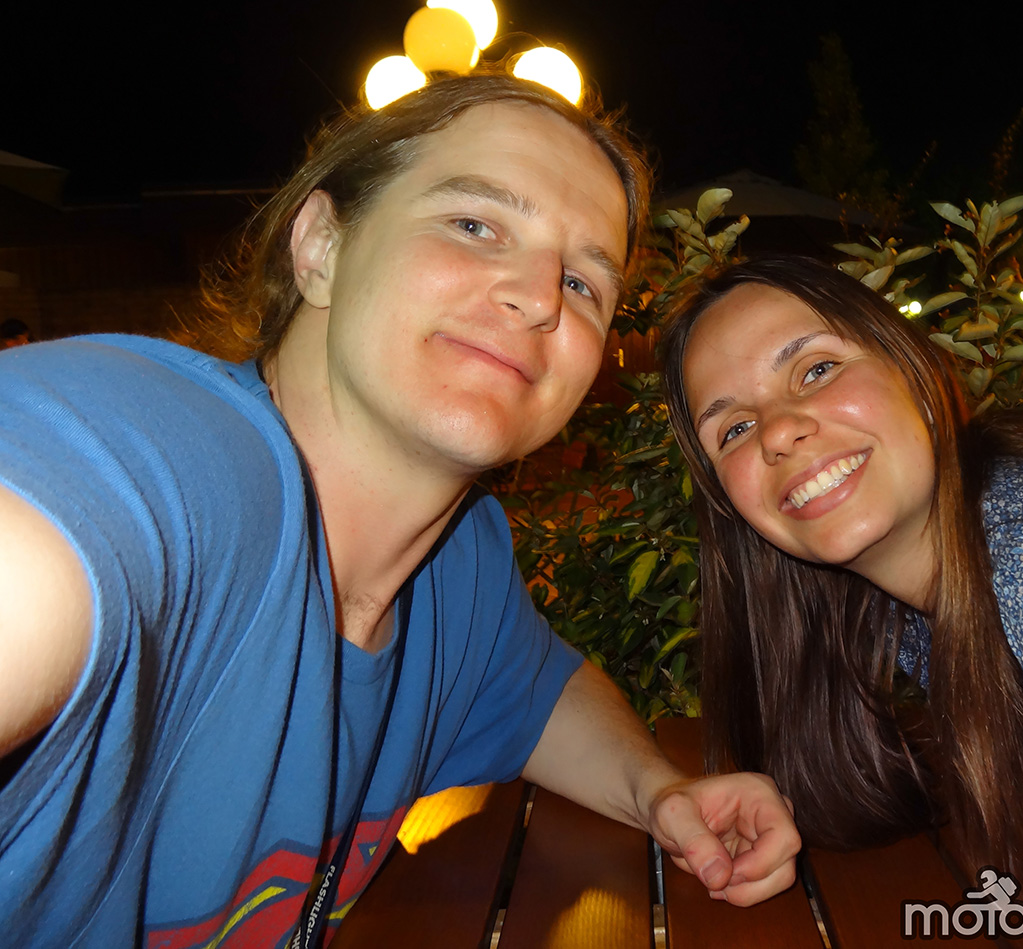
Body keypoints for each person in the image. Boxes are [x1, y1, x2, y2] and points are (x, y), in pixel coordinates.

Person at [0, 76, 799, 947]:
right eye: (474, 224)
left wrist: (658, 788)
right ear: (321, 246)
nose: (539, 296)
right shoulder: (160, 460)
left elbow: (540, 691)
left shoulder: (459, 562)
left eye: (581, 282)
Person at [660, 255, 1023, 936]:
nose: (776, 431)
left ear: (914, 371)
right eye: (734, 429)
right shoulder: (916, 595)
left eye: (816, 369)